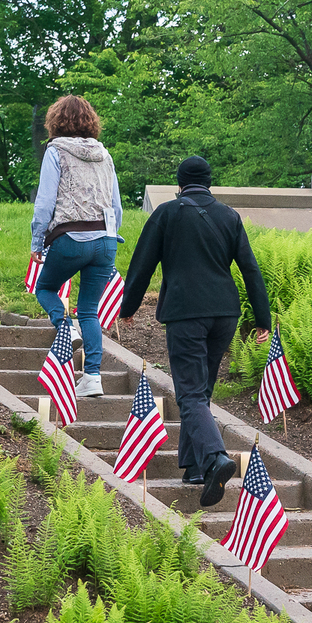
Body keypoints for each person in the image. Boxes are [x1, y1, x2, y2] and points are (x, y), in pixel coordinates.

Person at [117, 158, 269, 505]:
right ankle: (195, 468)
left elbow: (142, 264)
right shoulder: (229, 216)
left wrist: (128, 308)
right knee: (201, 390)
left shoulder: (168, 213)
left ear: (180, 183)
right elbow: (250, 269)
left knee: (189, 393)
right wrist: (263, 318)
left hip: (186, 313)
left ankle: (215, 457)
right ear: (209, 182)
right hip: (225, 314)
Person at [28, 96, 122, 399]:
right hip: (106, 240)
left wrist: (37, 240)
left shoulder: (55, 151)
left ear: (56, 121)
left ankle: (63, 325)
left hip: (70, 239)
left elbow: (44, 202)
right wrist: (111, 236)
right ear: (90, 121)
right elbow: (116, 205)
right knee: (91, 311)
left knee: (45, 288)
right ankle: (93, 377)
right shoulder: (105, 154)